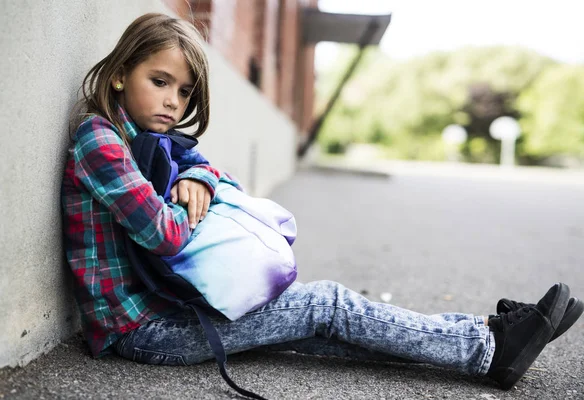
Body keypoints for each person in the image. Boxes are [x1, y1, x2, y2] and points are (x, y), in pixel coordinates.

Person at [62, 12, 582, 394]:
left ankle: (482, 336)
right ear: (118, 74)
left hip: (171, 308)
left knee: (329, 328)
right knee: (324, 304)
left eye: (185, 91)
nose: (174, 101)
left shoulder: (147, 140)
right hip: (141, 331)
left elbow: (209, 170)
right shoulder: (101, 140)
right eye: (160, 82)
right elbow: (167, 234)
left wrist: (199, 178)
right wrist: (196, 192)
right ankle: (490, 349)